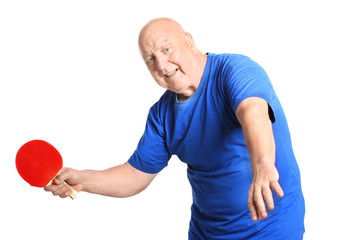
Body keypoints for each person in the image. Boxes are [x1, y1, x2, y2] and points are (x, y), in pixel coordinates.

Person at [45, 18, 305, 239]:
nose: (161, 64)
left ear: (189, 42)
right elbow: (135, 175)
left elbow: (253, 112)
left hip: (271, 227)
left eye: (167, 49)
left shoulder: (234, 70)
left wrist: (262, 165)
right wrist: (84, 180)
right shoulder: (162, 114)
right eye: (150, 59)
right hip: (208, 231)